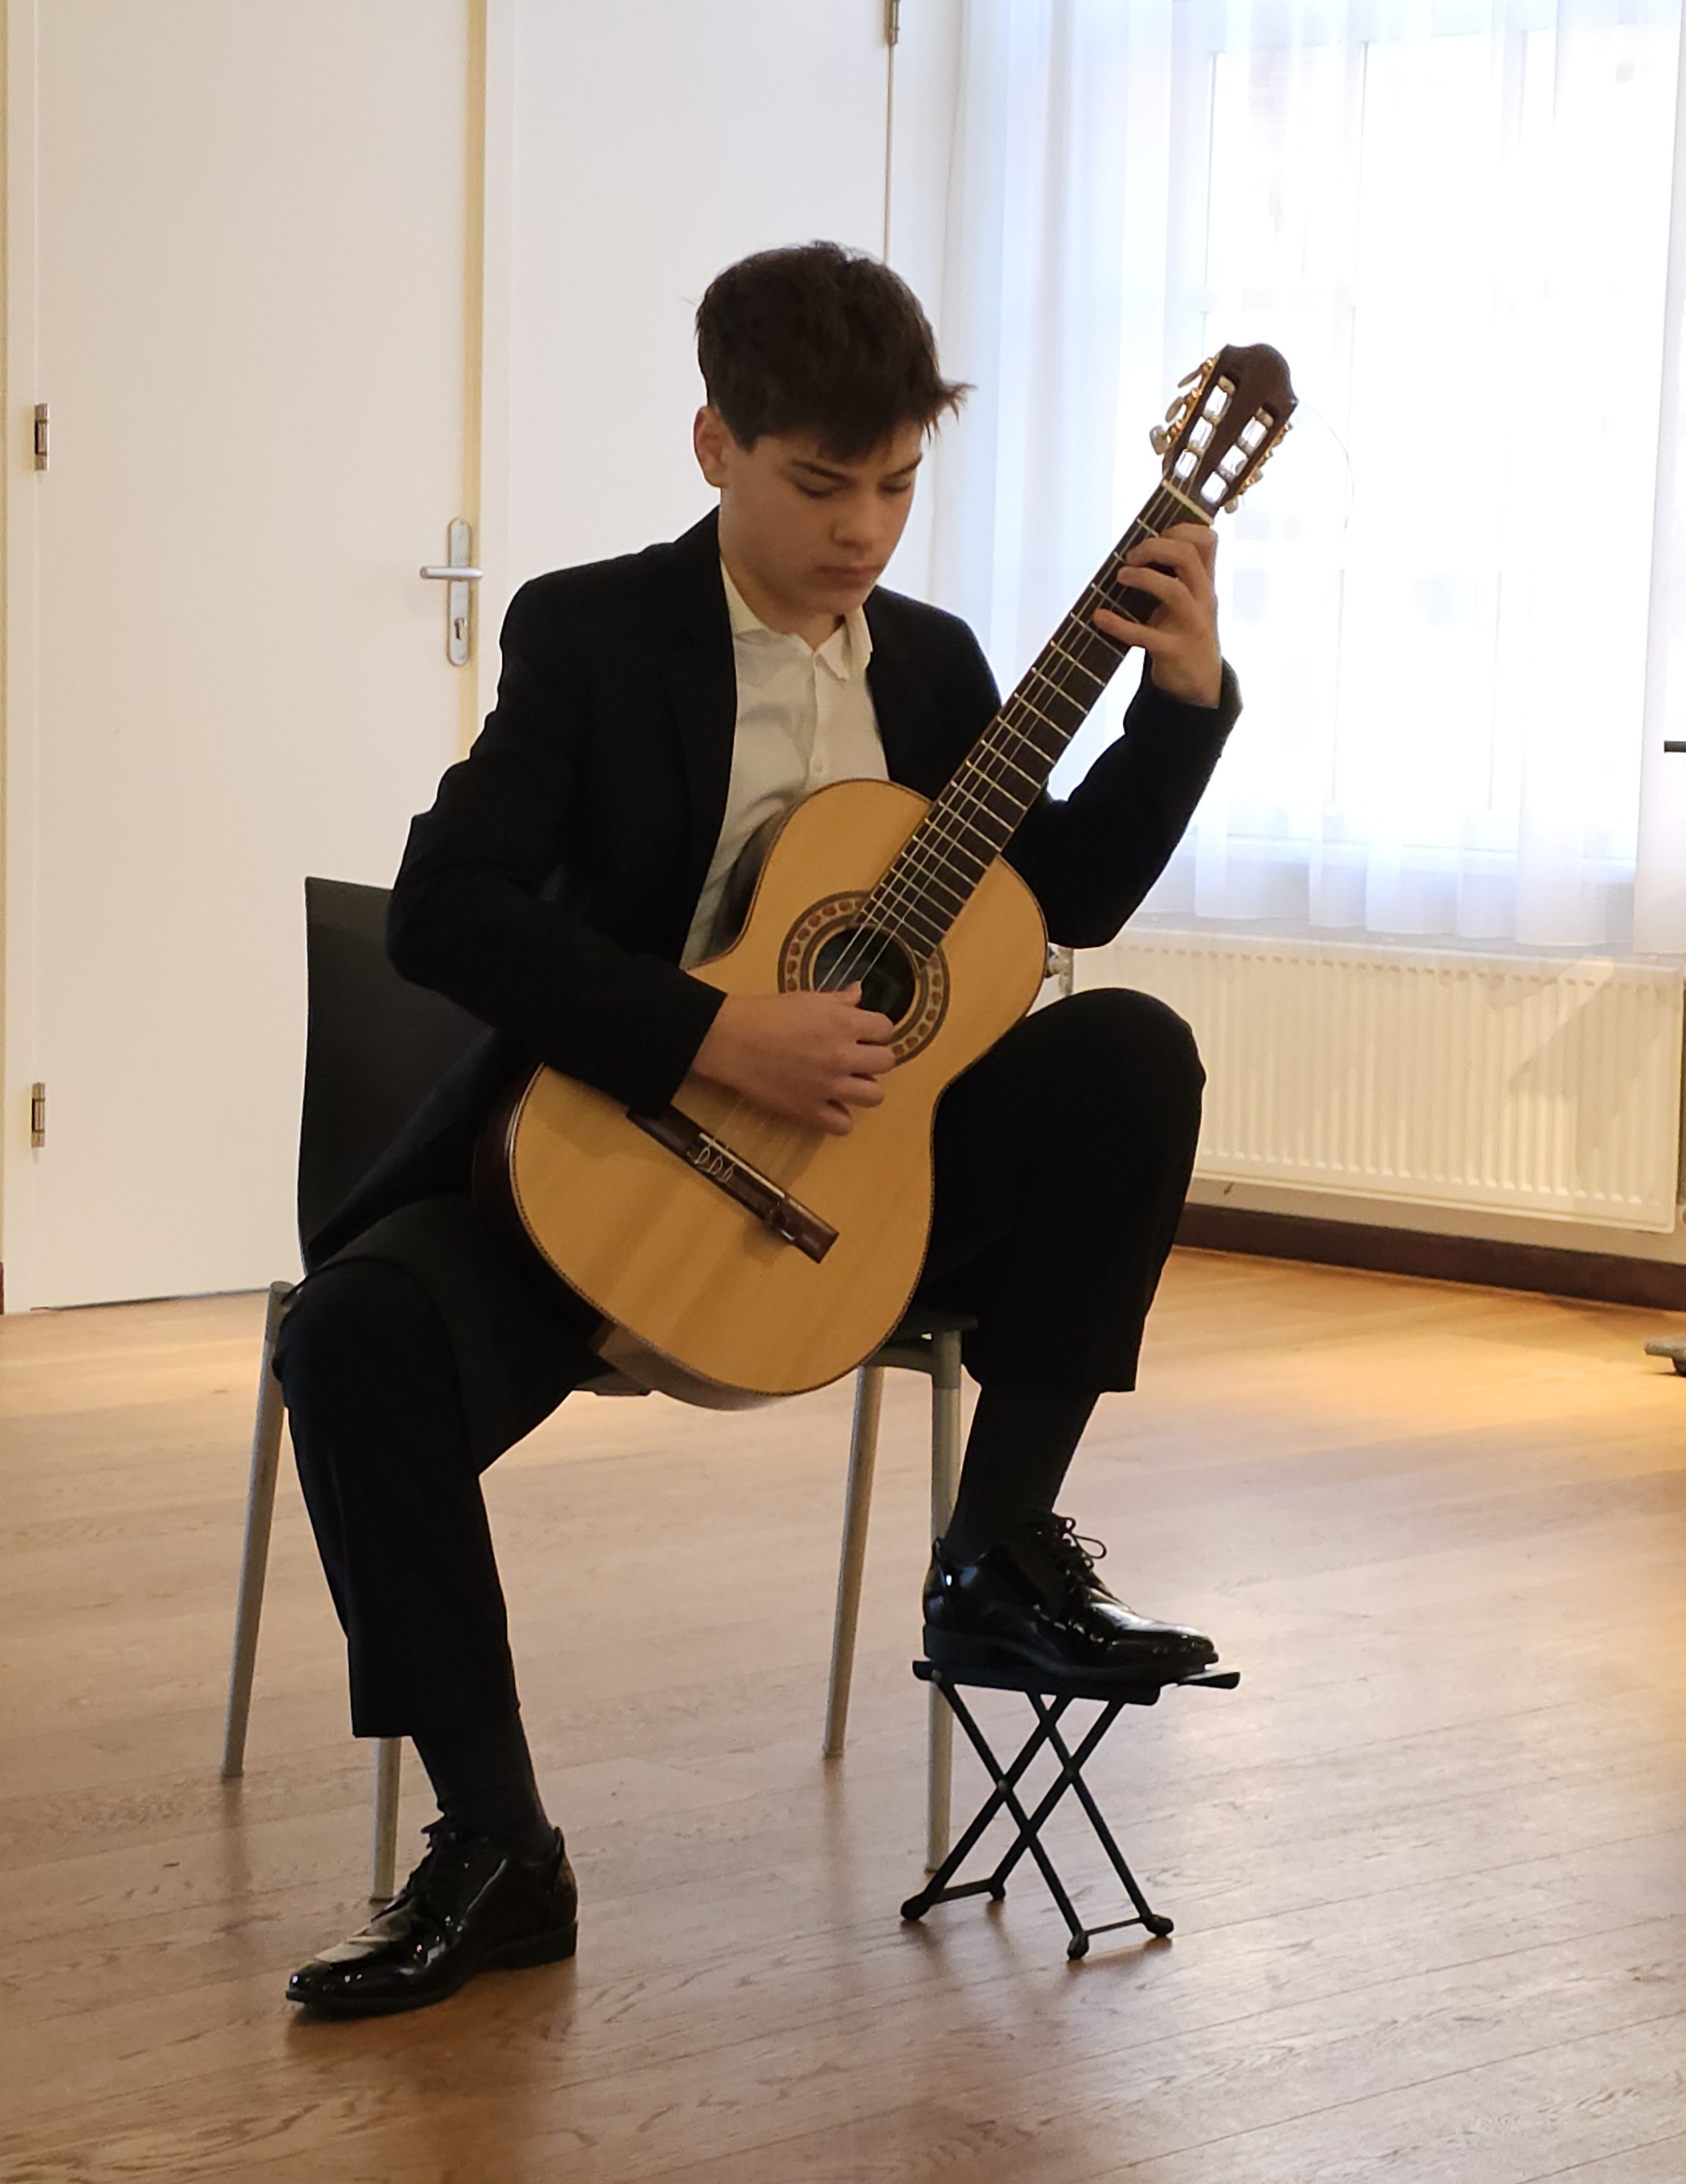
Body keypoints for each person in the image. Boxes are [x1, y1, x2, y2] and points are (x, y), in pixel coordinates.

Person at [277, 241, 1238, 2017]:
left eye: (895, 485)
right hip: (613, 1165)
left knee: (1130, 1052)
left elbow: (1058, 906)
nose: (862, 528)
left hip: (870, 1187)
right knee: (349, 1334)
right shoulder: (588, 634)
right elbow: (451, 912)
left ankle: (995, 1554)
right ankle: (497, 1845)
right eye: (819, 483)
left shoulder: (944, 670)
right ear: (714, 442)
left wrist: (1181, 704)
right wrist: (720, 1031)